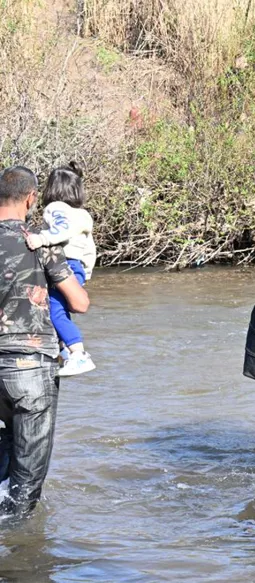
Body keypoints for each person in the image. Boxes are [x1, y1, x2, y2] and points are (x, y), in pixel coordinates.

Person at [0, 165, 89, 516]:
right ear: (32, 198)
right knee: (26, 485)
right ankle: (19, 560)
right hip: (30, 366)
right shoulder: (38, 241)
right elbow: (79, 303)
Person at [24, 164, 96, 376]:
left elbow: (61, 230)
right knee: (59, 311)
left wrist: (41, 238)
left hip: (62, 266)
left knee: (53, 311)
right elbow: (89, 247)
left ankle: (78, 354)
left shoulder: (55, 208)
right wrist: (86, 272)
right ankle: (64, 351)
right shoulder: (83, 214)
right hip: (77, 267)